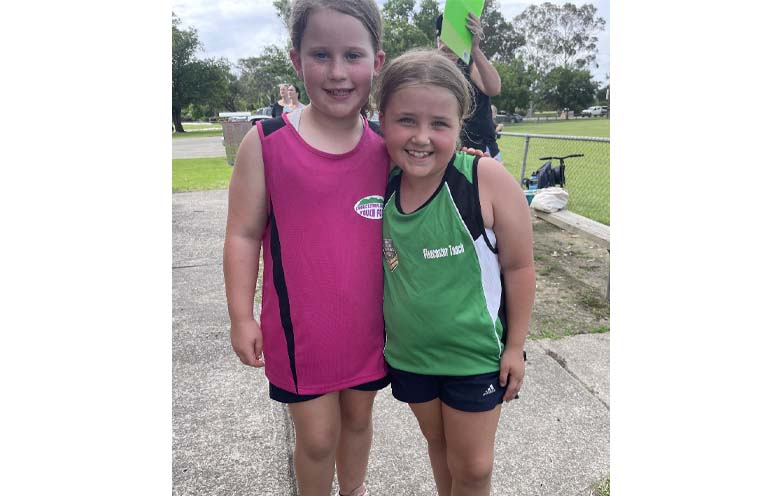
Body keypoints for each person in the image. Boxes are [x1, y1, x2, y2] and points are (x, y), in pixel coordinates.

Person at [223, 1, 387, 495]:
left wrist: (470, 161)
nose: (337, 72)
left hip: (371, 326)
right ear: (296, 60)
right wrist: (240, 316)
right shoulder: (267, 143)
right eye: (320, 54)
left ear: (377, 62)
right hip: (301, 333)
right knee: (316, 438)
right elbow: (242, 234)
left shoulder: (389, 148)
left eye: (353, 55)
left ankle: (353, 490)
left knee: (358, 422)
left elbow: (441, 173)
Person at [375, 49, 536, 496]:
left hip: (475, 356)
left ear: (459, 124)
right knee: (439, 445)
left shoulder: (484, 178)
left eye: (439, 124)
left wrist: (516, 347)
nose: (422, 137)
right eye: (406, 120)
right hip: (410, 356)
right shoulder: (379, 180)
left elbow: (519, 267)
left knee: (474, 468)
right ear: (382, 119)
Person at [436, 13, 502, 159]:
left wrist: (474, 49)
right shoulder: (435, 70)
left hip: (481, 149)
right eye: (444, 39)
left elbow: (494, 88)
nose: (448, 46)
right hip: (450, 151)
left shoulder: (469, 63)